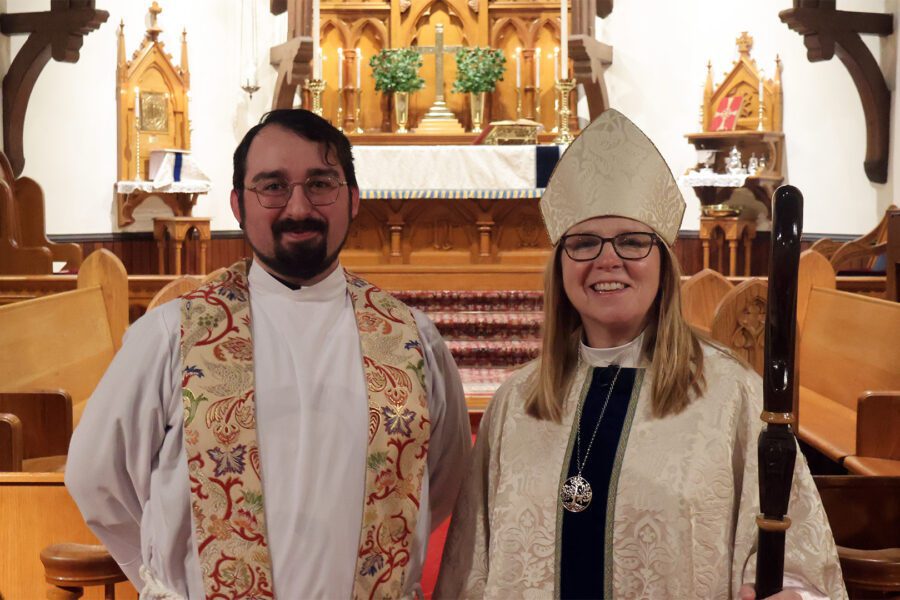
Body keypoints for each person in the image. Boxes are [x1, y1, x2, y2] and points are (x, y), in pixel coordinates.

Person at [434, 109, 847, 599]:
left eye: (632, 242)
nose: (608, 260)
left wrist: (792, 593)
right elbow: (470, 569)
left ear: (664, 263)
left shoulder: (731, 395)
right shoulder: (515, 401)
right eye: (584, 243)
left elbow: (795, 556)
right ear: (560, 266)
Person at [66, 109, 471, 599]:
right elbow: (96, 478)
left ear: (354, 199)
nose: (298, 207)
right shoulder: (172, 336)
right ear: (238, 204)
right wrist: (162, 580)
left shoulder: (412, 340)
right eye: (272, 186)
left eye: (321, 184)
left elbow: (443, 478)